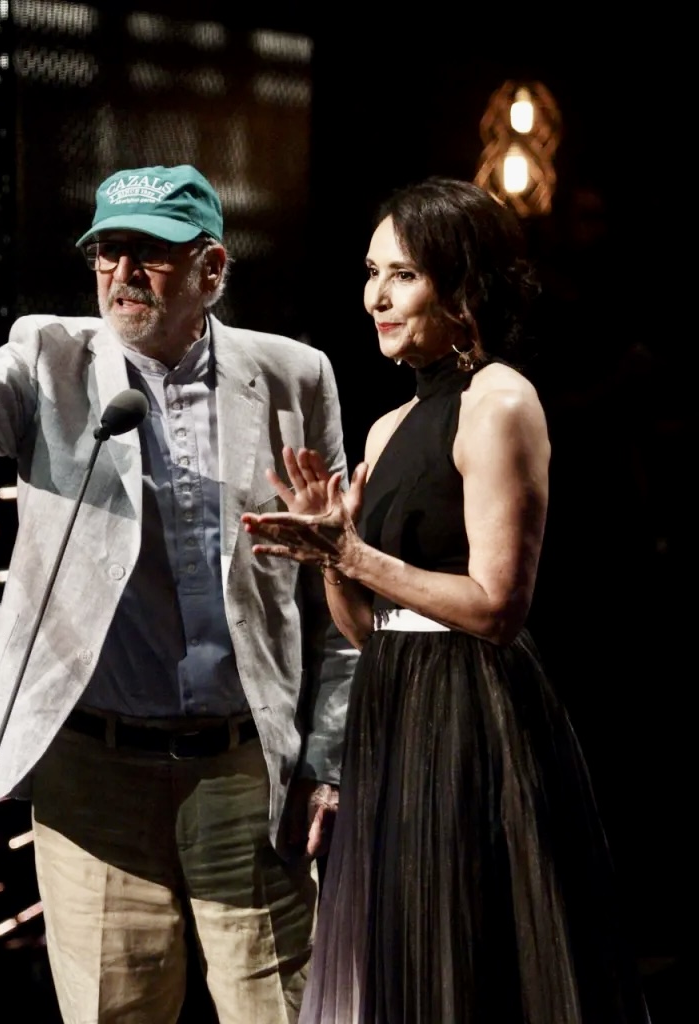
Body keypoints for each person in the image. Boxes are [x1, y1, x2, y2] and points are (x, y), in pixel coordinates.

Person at [0, 164, 358, 1023]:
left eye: (149, 254)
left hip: (245, 769)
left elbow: (335, 593)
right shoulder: (50, 357)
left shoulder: (295, 376)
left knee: (282, 1009)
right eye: (106, 252)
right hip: (94, 773)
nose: (122, 274)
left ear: (212, 268)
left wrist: (329, 763)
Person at [242, 177, 650, 1023]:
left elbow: (497, 606)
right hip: (392, 712)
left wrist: (353, 552)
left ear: (462, 286)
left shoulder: (500, 400)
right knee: (402, 970)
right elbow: (368, 630)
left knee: (468, 964)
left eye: (404, 275)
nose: (376, 298)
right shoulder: (387, 428)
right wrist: (331, 557)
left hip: (470, 714)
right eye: (371, 273)